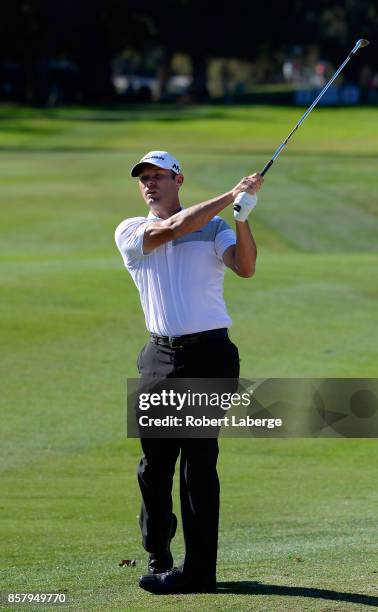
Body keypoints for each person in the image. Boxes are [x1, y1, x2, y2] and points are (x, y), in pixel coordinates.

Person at [114, 150, 263, 594]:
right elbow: (176, 228)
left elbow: (246, 268)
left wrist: (242, 215)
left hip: (211, 356)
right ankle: (159, 553)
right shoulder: (133, 230)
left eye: (159, 176)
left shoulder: (215, 228)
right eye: (144, 178)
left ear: (180, 180)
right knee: (154, 466)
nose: (150, 184)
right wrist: (230, 194)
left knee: (199, 465)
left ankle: (200, 572)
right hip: (160, 357)